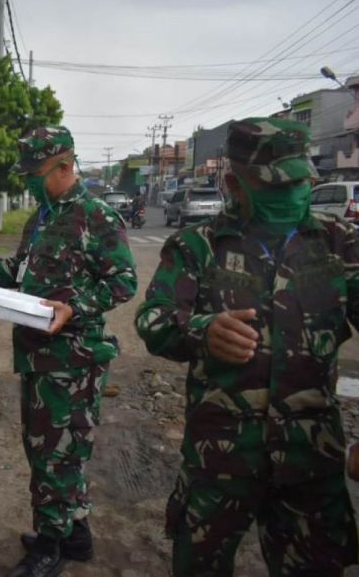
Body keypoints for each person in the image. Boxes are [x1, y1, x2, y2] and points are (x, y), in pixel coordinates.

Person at [135, 117, 359, 577]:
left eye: (301, 181)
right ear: (234, 183)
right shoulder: (197, 246)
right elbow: (153, 318)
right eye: (276, 184)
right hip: (219, 459)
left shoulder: (341, 245)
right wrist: (202, 329)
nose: (293, 194)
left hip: (310, 461)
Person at [0, 126, 137, 577]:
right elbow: (17, 269)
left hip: (73, 360)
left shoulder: (95, 215)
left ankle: (50, 545)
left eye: (34, 172)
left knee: (57, 453)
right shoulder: (40, 216)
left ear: (65, 166)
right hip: (38, 355)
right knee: (49, 446)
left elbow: (123, 282)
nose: (27, 181)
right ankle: (75, 534)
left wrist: (74, 307)